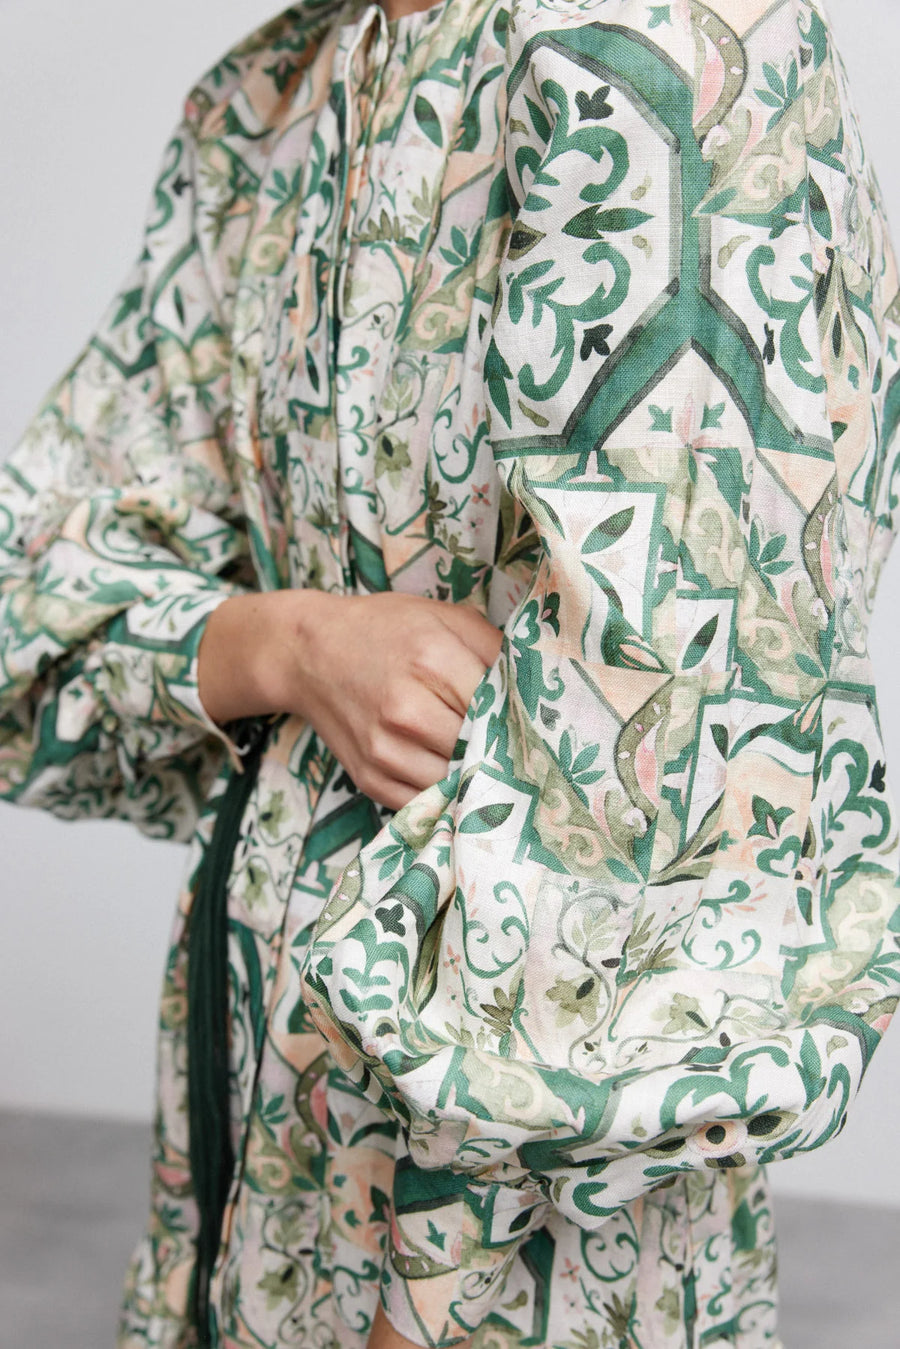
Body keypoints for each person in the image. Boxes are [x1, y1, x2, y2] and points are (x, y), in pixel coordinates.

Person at [2, 0, 899, 1345]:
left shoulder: (671, 46)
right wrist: (291, 644)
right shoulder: (268, 100)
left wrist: (436, 1302)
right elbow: (30, 597)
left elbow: (677, 744)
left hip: (530, 1220)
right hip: (250, 1141)